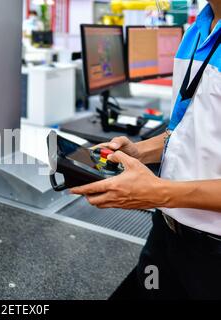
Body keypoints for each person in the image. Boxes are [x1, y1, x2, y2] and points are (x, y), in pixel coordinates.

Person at [72, 0, 221, 300]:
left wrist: (157, 192)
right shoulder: (199, 28)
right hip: (166, 233)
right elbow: (187, 131)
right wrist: (139, 151)